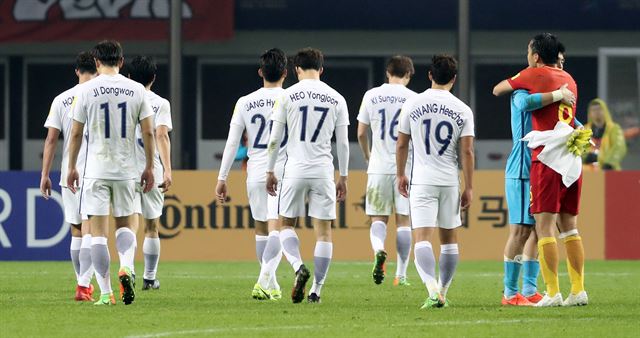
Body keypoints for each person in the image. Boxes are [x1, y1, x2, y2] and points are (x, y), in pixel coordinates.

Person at [493, 33, 587, 307]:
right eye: (557, 61)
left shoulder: (552, 83)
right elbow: (521, 102)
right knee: (522, 231)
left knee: (538, 230)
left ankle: (532, 289)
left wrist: (578, 128)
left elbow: (566, 116)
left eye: (562, 62)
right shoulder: (527, 84)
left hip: (547, 161)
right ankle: (510, 293)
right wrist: (558, 94)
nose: (560, 67)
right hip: (523, 166)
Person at [67, 40, 156, 306]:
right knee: (126, 225)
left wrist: (71, 165)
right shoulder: (136, 90)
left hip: (95, 170)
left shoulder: (86, 91)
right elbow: (149, 131)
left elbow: (75, 133)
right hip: (126, 169)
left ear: (96, 62)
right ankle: (126, 266)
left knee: (97, 234)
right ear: (121, 61)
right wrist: (150, 165)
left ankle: (106, 293)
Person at [266, 47, 350, 304]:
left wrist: (270, 170)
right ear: (321, 70)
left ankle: (297, 267)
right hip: (323, 170)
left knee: (285, 225)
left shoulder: (287, 96)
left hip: (294, 170)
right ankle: (316, 291)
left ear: (297, 70)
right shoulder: (337, 98)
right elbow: (344, 144)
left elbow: (274, 139)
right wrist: (344, 176)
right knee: (324, 233)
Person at [397, 55, 475, 309]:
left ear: (429, 75)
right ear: (454, 78)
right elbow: (467, 152)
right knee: (450, 241)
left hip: (422, 180)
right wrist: (470, 186)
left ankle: (432, 290)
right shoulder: (463, 109)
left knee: (422, 239)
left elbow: (401, 143)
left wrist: (400, 174)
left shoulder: (413, 103)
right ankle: (442, 291)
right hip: (449, 181)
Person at [216, 48, 289, 300]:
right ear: (286, 73)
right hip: (282, 172)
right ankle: (262, 281)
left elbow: (232, 143)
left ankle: (272, 284)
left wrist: (222, 178)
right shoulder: (291, 98)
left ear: (261, 72)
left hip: (255, 172)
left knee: (261, 230)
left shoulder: (245, 101)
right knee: (278, 228)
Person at [40, 51, 97, 301]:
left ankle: (81, 282)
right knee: (92, 230)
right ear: (96, 67)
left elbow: (52, 139)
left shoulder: (61, 99)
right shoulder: (98, 96)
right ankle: (84, 284)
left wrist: (45, 174)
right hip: (96, 171)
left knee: (76, 230)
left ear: (76, 70)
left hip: (67, 173)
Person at [357, 55, 417, 286]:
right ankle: (401, 274)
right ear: (409, 75)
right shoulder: (414, 98)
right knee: (403, 221)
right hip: (406, 168)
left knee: (378, 219)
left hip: (378, 166)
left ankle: (379, 250)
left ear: (387, 73)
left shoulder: (371, 95)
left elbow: (361, 132)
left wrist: (367, 155)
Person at [127, 55, 173, 291]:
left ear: (129, 77)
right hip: (152, 168)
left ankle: (129, 270)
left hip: (125, 169)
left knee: (130, 222)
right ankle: (149, 277)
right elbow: (161, 134)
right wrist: (167, 169)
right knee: (152, 226)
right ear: (154, 78)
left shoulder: (123, 101)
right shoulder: (160, 103)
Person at [583, 98, 627, 170]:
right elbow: (579, 149)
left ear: (605, 111)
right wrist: (585, 157)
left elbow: (619, 147)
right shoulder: (584, 130)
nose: (597, 112)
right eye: (593, 110)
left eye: (599, 109)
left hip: (609, 170)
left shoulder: (614, 129)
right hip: (588, 170)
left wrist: (609, 163)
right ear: (590, 112)